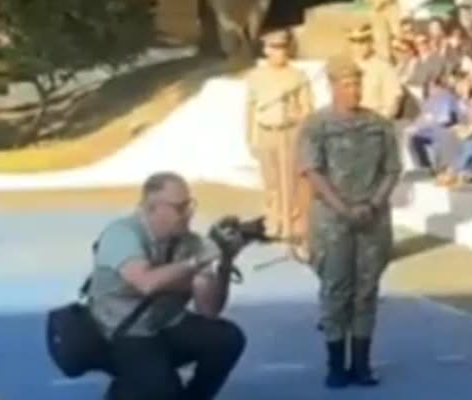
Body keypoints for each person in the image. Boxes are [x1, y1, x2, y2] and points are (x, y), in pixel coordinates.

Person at [90, 172, 246, 400]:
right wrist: (196, 262)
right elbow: (146, 283)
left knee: (227, 339)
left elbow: (208, 309)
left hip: (165, 324)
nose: (189, 214)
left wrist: (225, 260)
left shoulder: (190, 242)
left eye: (190, 205)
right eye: (180, 207)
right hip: (119, 331)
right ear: (151, 207)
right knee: (162, 391)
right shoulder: (122, 234)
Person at [298, 55, 401, 388]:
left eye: (357, 83)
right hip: (332, 220)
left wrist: (373, 202)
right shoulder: (316, 125)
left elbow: (391, 169)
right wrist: (342, 208)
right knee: (336, 289)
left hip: (372, 218)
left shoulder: (379, 125)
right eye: (346, 84)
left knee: (366, 291)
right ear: (332, 86)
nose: (354, 90)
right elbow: (313, 172)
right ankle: (335, 364)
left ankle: (361, 363)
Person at [243, 28, 314, 261]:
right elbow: (251, 109)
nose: (278, 53)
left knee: (291, 182)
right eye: (273, 48)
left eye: (282, 48)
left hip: (290, 133)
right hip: (266, 132)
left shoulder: (297, 76)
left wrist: (298, 124)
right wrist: (250, 137)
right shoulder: (256, 76)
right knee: (271, 180)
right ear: (265, 50)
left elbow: (308, 110)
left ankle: (292, 226)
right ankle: (274, 223)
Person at [349, 24, 404, 120]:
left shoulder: (384, 68)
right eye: (354, 41)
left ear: (371, 43)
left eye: (362, 42)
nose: (358, 46)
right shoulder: (344, 66)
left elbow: (393, 103)